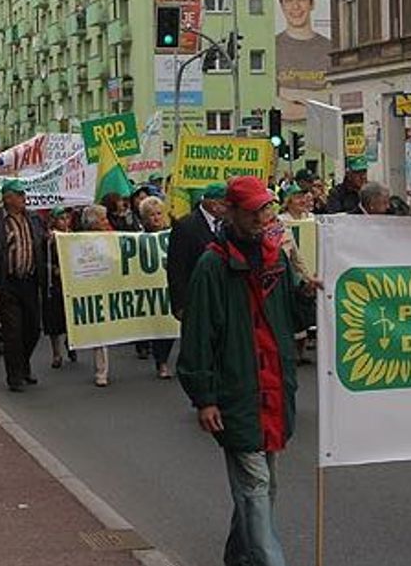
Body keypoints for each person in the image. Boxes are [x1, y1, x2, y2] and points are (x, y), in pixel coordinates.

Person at [178, 175, 313, 566]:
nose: (262, 216)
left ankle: (238, 555)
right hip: (239, 392)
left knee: (262, 488)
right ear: (231, 211)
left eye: (266, 208)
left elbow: (291, 317)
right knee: (255, 487)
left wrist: (306, 294)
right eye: (254, 210)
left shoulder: (277, 257)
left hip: (274, 390)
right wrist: (204, 398)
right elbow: (199, 335)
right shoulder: (212, 266)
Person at [0, 179, 47, 392]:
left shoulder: (33, 218)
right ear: (8, 198)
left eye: (23, 194)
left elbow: (41, 243)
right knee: (12, 332)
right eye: (19, 195)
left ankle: (23, 363)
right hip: (7, 283)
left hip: (30, 281)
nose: (24, 198)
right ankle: (14, 375)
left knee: (33, 329)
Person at [275, 0, 333, 122]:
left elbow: (337, 101)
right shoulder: (272, 47)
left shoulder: (331, 49)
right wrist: (319, 99)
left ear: (312, 3)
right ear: (281, 5)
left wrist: (290, 96)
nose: (295, 7)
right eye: (288, 0)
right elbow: (276, 107)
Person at [167, 183, 227, 319]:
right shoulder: (185, 226)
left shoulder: (227, 224)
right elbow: (176, 268)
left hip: (222, 299)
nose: (230, 209)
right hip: (197, 299)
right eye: (226, 205)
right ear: (214, 205)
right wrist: (180, 305)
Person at [276, 184, 318, 363]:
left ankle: (298, 355)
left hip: (294, 277)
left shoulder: (311, 219)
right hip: (278, 278)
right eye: (297, 197)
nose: (302, 200)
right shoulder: (280, 222)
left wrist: (309, 277)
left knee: (300, 314)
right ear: (288, 201)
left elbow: (296, 256)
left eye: (303, 196)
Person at [138, 194, 175, 379]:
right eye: (152, 215)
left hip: (168, 287)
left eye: (159, 213)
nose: (156, 218)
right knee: (154, 325)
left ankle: (163, 360)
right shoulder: (138, 238)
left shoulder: (173, 234)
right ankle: (157, 358)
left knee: (168, 326)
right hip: (149, 289)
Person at [80, 204, 115, 387]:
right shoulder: (79, 240)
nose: (106, 222)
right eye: (102, 219)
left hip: (110, 285)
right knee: (100, 331)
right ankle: (101, 371)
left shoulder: (111, 236)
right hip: (92, 287)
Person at [42, 206, 77, 368]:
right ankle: (56, 352)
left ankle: (72, 342)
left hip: (71, 282)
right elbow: (42, 260)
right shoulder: (47, 239)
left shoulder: (72, 236)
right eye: (61, 218)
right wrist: (53, 269)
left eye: (67, 218)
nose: (65, 221)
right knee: (54, 319)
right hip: (54, 284)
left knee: (71, 315)